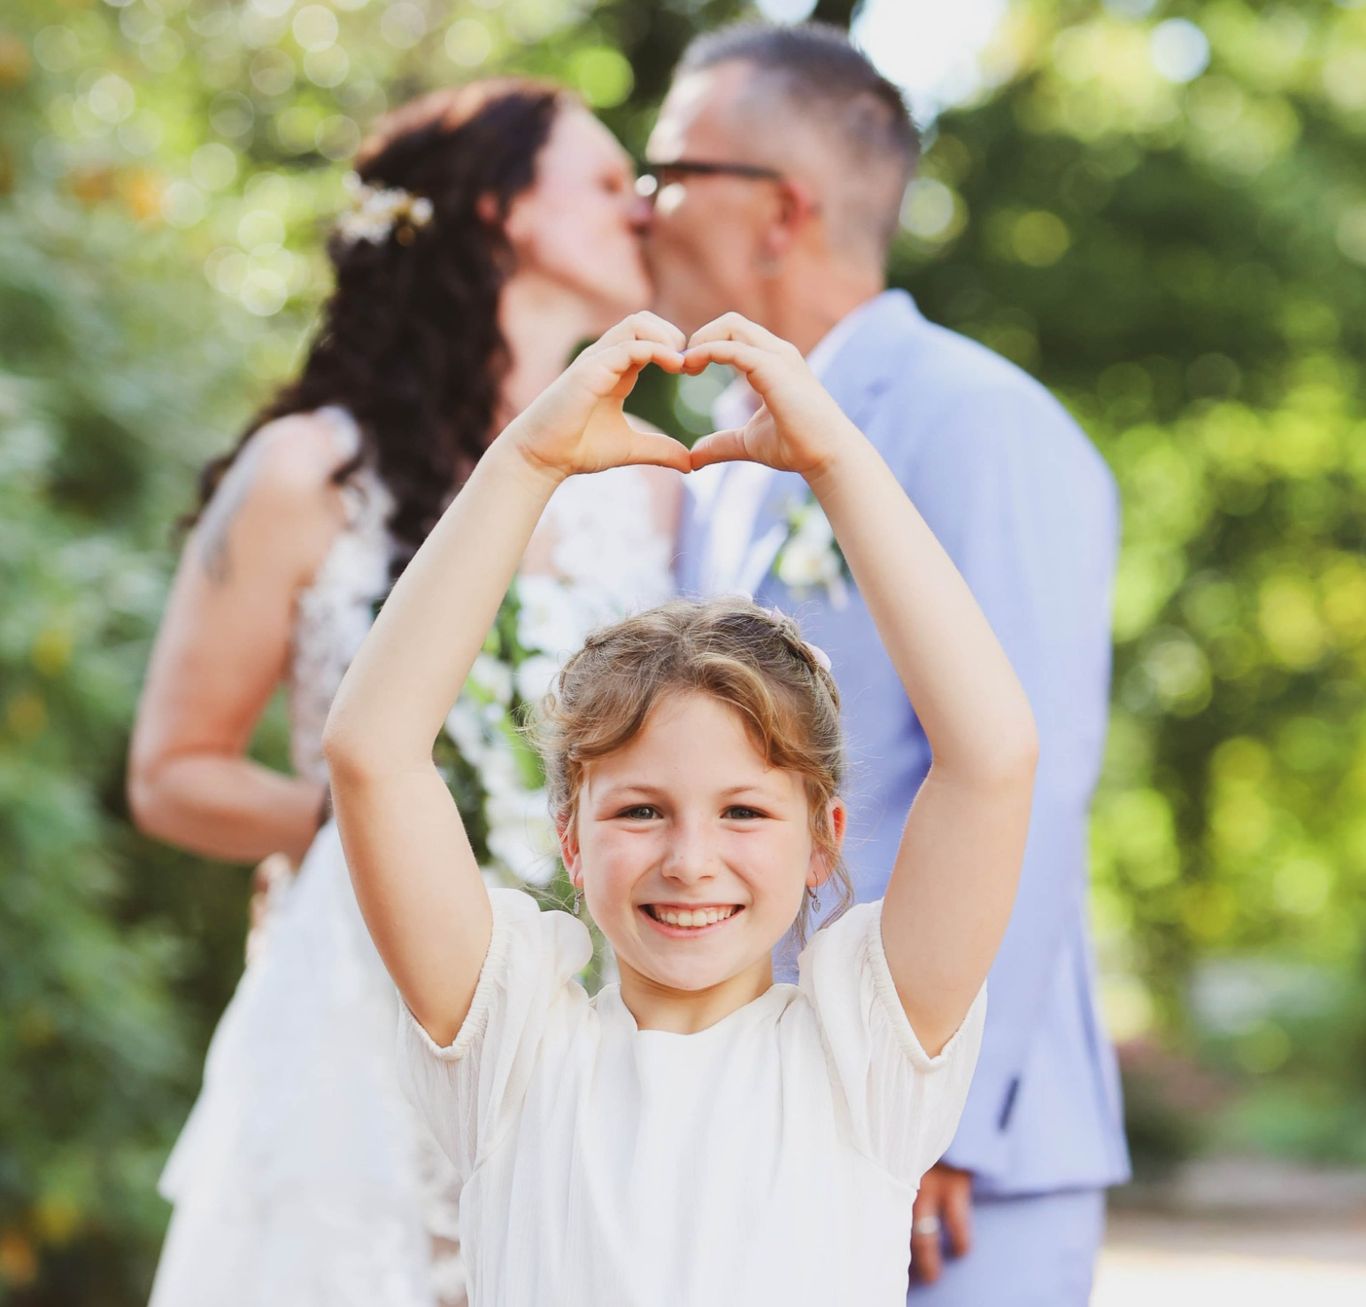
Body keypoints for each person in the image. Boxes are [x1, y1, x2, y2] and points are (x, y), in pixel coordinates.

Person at [322, 309, 1038, 1305]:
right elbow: (372, 752)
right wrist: (527, 460)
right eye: (640, 812)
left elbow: (993, 758)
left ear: (822, 841)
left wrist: (836, 460)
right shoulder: (510, 1045)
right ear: (570, 837)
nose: (691, 858)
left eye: (743, 812)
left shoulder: (864, 1050)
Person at [128, 80, 676, 1307]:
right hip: (353, 998)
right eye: (603, 183)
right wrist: (360, 825)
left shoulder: (652, 488)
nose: (642, 210)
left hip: (582, 997)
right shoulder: (309, 471)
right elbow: (172, 772)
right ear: (500, 209)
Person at [646, 23, 1130, 1303]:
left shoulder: (978, 421)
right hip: (765, 1097)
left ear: (778, 209)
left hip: (952, 1141)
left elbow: (1033, 763)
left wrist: (943, 1113)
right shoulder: (721, 458)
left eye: (668, 173)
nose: (642, 209)